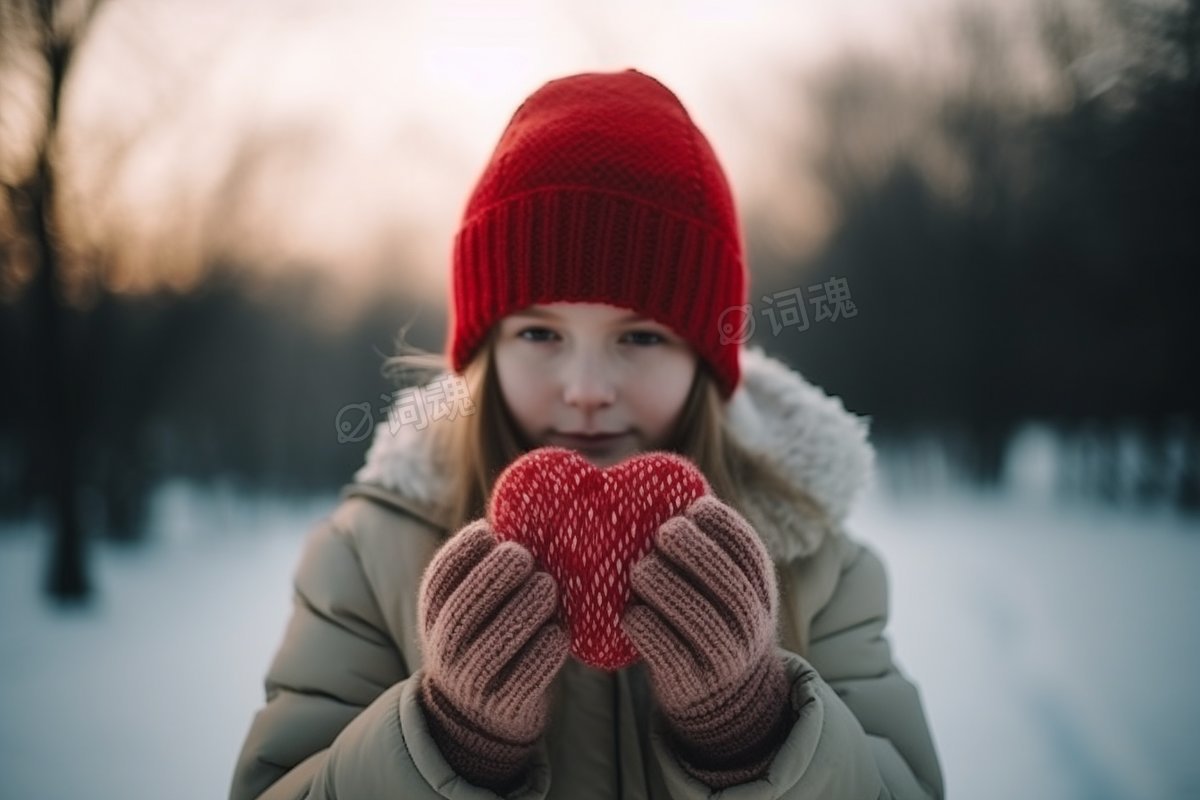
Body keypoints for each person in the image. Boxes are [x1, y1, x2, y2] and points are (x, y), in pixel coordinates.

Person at [229, 68, 943, 799]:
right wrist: (443, 745)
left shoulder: (815, 563)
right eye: (541, 332)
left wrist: (757, 735)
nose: (589, 390)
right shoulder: (368, 560)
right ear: (487, 351)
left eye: (641, 338)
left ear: (705, 358)